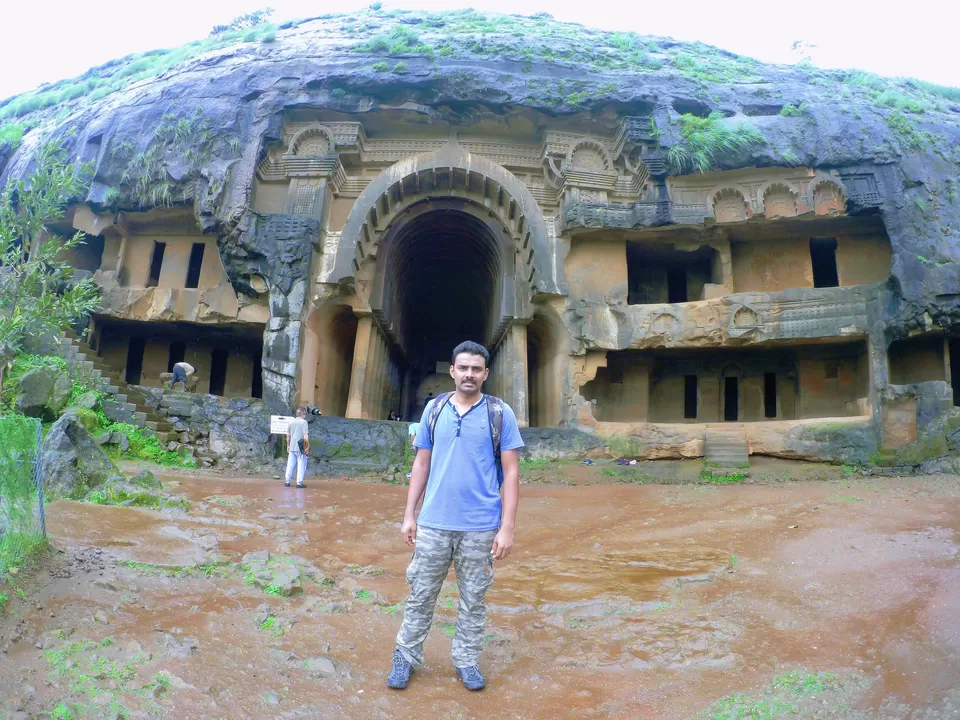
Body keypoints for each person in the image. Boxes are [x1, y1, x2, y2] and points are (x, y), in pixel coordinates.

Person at [387, 341, 523, 692]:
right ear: (452, 370)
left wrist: (506, 528)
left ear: (485, 374)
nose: (469, 374)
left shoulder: (499, 413)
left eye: (476, 369)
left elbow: (511, 472)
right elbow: (421, 464)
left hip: (480, 527)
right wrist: (409, 515)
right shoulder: (434, 409)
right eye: (463, 367)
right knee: (420, 594)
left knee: (474, 599)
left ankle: (466, 660)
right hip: (433, 523)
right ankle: (405, 656)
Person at [284, 407, 310, 488]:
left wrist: (288, 445)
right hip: (301, 447)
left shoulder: (291, 422)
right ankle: (299, 483)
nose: (305, 415)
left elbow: (288, 436)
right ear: (303, 414)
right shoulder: (304, 422)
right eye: (305, 414)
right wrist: (307, 447)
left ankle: (287, 481)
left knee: (290, 464)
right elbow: (305, 435)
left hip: (292, 447)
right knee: (301, 464)